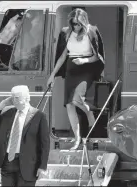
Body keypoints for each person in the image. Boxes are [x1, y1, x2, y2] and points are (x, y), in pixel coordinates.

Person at [47, 8, 105, 150]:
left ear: (84, 22)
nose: (75, 27)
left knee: (77, 99)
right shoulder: (66, 32)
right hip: (71, 69)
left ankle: (91, 114)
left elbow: (97, 56)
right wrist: (52, 75)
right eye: (73, 24)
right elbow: (62, 56)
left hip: (87, 68)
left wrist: (84, 61)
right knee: (69, 104)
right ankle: (77, 138)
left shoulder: (92, 31)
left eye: (78, 24)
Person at [0, 85, 50, 186]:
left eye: (16, 98)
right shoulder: (7, 111)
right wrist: (0, 106)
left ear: (27, 98)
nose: (14, 101)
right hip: (7, 162)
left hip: (28, 165)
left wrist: (42, 166)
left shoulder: (39, 116)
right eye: (12, 98)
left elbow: (45, 144)